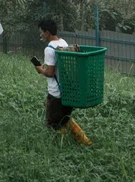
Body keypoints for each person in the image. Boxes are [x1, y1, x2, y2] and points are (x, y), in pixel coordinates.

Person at [32, 18, 92, 146]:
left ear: (47, 32)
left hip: (55, 93)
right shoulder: (63, 43)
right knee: (65, 119)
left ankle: (58, 147)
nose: (40, 34)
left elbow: (50, 73)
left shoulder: (49, 49)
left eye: (41, 32)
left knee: (53, 124)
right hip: (67, 90)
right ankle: (85, 141)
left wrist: (39, 69)